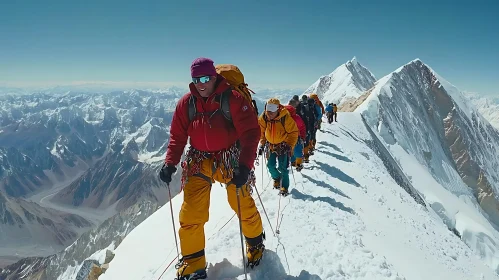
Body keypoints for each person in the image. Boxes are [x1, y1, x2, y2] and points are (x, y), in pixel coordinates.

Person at [159, 57, 265, 280]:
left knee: (241, 203)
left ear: (215, 77)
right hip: (199, 158)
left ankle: (256, 243)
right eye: (196, 79)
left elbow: (251, 133)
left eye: (206, 78)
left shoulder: (234, 99)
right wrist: (170, 163)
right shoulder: (186, 103)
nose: (201, 83)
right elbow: (177, 137)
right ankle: (193, 263)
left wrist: (244, 166)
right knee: (191, 212)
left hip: (230, 157)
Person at [258, 98, 299, 196]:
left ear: (277, 109)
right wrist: (262, 143)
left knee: (283, 167)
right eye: (268, 110)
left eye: (272, 111)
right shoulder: (264, 117)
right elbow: (261, 131)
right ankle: (277, 178)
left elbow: (293, 132)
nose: (269, 113)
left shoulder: (285, 117)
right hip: (271, 146)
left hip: (283, 146)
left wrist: (289, 145)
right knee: (270, 165)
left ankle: (284, 187)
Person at [285, 103, 306, 172]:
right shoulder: (297, 118)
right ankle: (299, 163)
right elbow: (302, 127)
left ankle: (293, 161)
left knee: (290, 151)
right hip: (297, 137)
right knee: (297, 150)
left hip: (286, 138)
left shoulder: (283, 118)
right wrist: (303, 136)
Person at [300, 95, 316, 163]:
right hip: (309, 126)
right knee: (308, 139)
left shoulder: (301, 106)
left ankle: (300, 158)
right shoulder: (310, 108)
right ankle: (307, 155)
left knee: (301, 142)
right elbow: (315, 116)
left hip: (300, 126)